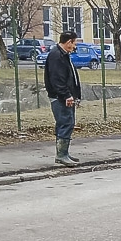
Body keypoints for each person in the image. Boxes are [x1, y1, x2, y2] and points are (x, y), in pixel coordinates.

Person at [44, 31, 82, 167]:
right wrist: (66, 95)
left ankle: (63, 153)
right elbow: (57, 79)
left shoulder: (63, 55)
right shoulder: (57, 56)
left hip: (64, 96)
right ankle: (61, 155)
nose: (74, 46)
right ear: (69, 42)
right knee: (65, 123)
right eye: (74, 43)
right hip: (60, 97)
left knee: (67, 123)